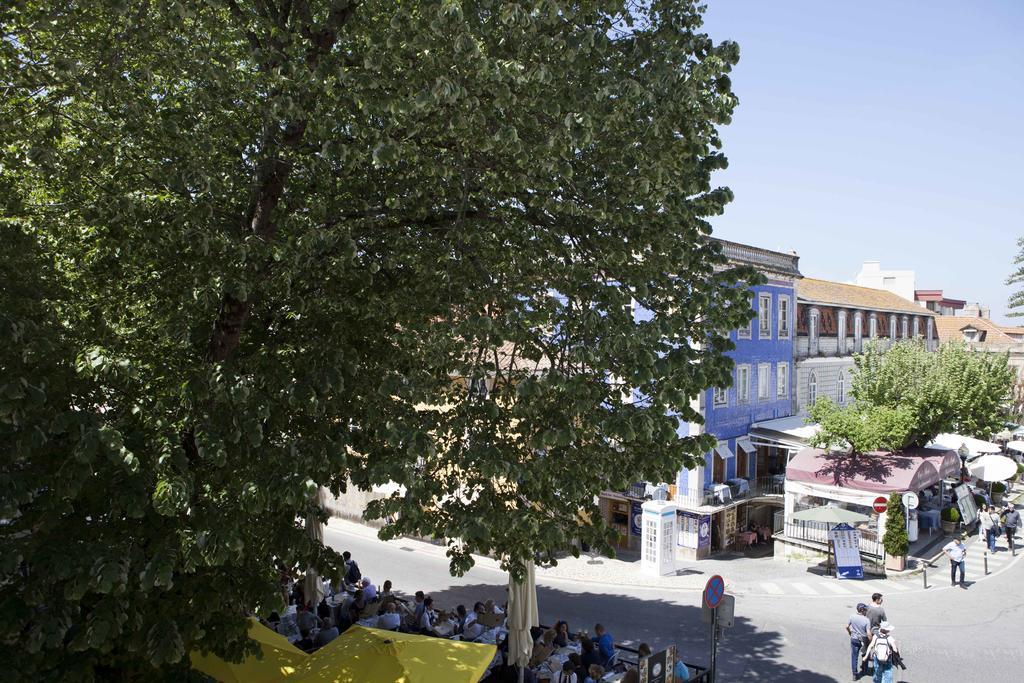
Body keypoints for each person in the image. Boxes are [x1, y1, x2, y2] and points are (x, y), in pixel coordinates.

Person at [846, 603, 871, 680]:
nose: (866, 611)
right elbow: (869, 633)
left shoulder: (852, 616)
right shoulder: (866, 620)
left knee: (854, 656)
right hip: (863, 640)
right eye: (865, 609)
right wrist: (870, 641)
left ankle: (854, 674)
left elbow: (847, 626)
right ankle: (865, 669)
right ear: (862, 610)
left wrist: (850, 633)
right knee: (865, 654)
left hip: (854, 639)